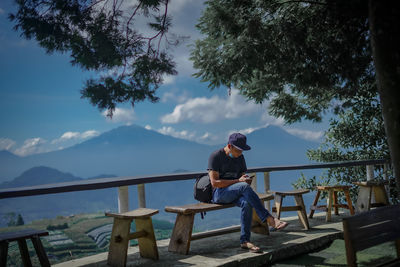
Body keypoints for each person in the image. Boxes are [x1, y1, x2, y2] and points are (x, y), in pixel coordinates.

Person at [208, 132, 288, 253]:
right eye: (238, 151)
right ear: (229, 146)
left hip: (235, 192)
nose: (240, 154)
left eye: (242, 151)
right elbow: (214, 183)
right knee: (244, 187)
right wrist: (238, 181)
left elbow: (242, 175)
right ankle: (270, 219)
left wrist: (245, 178)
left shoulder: (240, 157)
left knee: (247, 202)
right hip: (219, 194)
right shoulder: (216, 156)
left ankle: (245, 241)